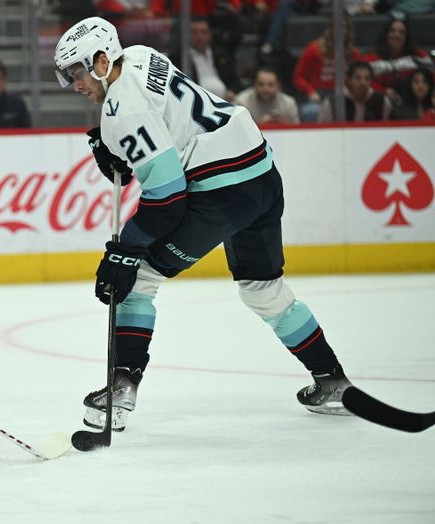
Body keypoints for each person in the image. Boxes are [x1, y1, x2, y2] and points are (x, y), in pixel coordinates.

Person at [54, 17, 354, 432]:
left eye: (77, 73)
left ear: (102, 61)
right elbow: (169, 123)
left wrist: (126, 249)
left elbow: (167, 200)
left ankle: (122, 389)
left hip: (221, 193)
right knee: (263, 290)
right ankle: (332, 379)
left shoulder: (119, 112)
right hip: (261, 175)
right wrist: (119, 150)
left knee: (137, 278)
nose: (74, 85)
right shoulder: (141, 56)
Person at [292, 14, 362, 123]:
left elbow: (359, 77)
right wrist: (310, 91)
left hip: (343, 96)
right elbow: (298, 77)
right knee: (311, 112)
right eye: (337, 26)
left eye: (344, 27)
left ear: (348, 31)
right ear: (330, 29)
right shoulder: (314, 48)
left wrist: (351, 90)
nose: (340, 30)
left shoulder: (354, 54)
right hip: (319, 95)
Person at [363, 17, 432, 106]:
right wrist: (383, 91)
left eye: (401, 32)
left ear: (406, 36)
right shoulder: (371, 57)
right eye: (392, 31)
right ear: (386, 34)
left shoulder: (418, 55)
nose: (396, 35)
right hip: (380, 102)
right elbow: (362, 82)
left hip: (414, 104)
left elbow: (431, 78)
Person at [177, 17, 241, 102]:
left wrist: (231, 91)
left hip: (225, 101)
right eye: (194, 32)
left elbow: (235, 80)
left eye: (203, 32)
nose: (199, 36)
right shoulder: (180, 57)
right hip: (196, 102)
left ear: (209, 35)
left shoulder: (220, 54)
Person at [318, 61, 393, 122]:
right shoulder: (332, 102)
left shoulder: (382, 101)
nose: (363, 83)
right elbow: (323, 132)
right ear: (348, 80)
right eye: (358, 78)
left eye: (367, 79)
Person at [235, 65, 300, 124]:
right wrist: (259, 125)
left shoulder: (289, 103)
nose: (266, 89)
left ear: (278, 86)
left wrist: (285, 123)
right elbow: (236, 130)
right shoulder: (242, 103)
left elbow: (298, 132)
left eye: (270, 85)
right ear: (254, 85)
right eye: (261, 84)